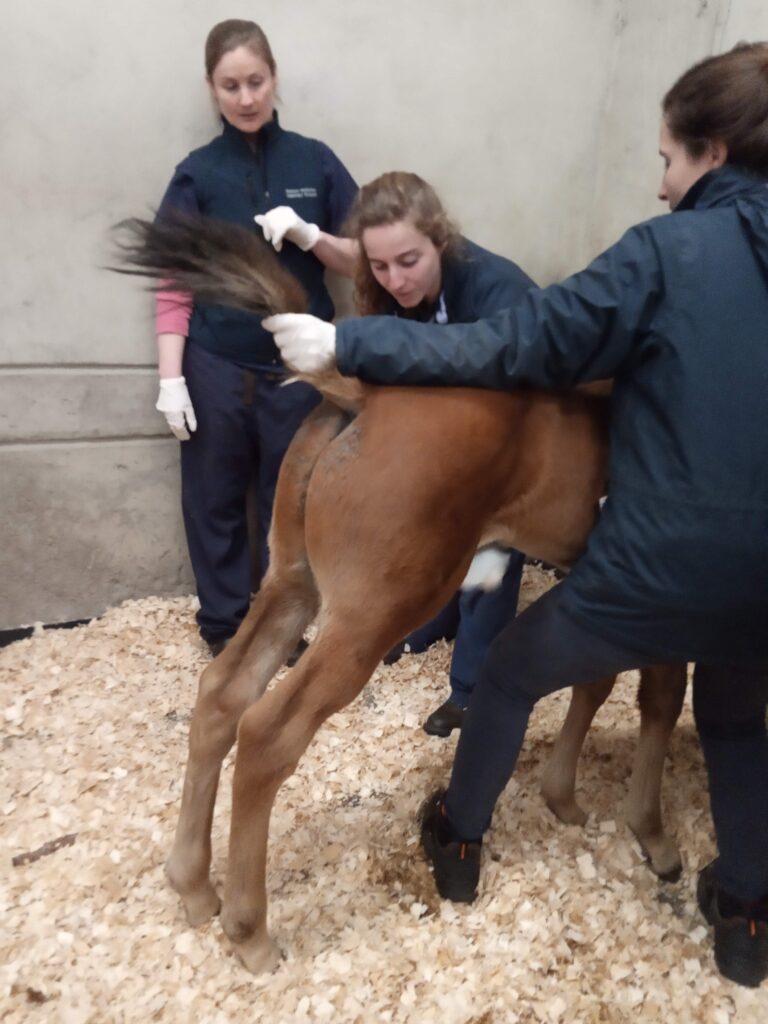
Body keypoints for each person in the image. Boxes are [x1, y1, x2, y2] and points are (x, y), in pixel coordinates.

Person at [262, 44, 768, 988]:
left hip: (652, 567)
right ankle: (745, 917)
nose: (661, 186)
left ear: (718, 150)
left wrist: (352, 340)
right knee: (738, 721)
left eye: (668, 159)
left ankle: (458, 843)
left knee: (506, 672)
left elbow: (526, 340)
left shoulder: (667, 250)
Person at [256, 171, 535, 734]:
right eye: (380, 266)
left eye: (408, 260)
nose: (395, 279)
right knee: (429, 537)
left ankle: (472, 687)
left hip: (516, 442)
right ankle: (433, 619)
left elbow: (505, 377)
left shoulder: (497, 288)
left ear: (441, 239)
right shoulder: (387, 290)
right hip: (445, 437)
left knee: (490, 553)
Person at [153, 20, 358, 657]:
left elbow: (363, 259)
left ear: (274, 77)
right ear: (212, 89)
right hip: (215, 362)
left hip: (298, 370)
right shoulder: (197, 174)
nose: (246, 98)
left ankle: (283, 625)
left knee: (287, 502)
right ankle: (223, 627)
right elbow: (172, 282)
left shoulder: (315, 160)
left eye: (256, 81)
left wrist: (310, 237)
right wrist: (170, 377)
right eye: (230, 85)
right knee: (213, 499)